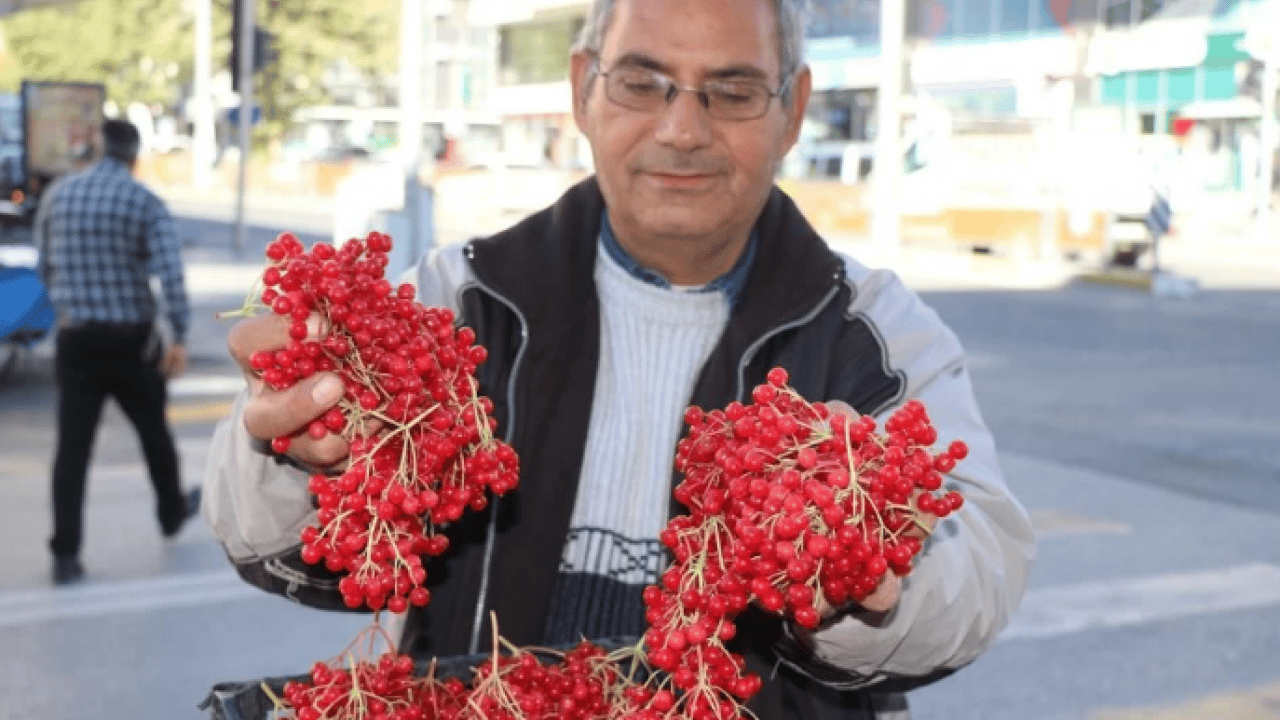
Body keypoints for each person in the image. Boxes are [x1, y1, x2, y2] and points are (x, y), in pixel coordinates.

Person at [204, 0, 1036, 716]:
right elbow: (276, 546)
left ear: (794, 110)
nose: (682, 128)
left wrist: (869, 574)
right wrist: (291, 447)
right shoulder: (456, 302)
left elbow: (980, 566)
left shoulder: (876, 334)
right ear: (582, 89)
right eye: (643, 82)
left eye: (734, 90)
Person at [35, 118, 200, 586]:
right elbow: (170, 277)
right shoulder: (144, 201)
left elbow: (45, 267)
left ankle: (65, 554)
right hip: (131, 342)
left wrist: (71, 305)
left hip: (77, 339)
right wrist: (180, 336)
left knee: (72, 448)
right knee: (154, 433)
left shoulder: (58, 196)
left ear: (96, 148)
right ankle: (170, 512)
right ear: (134, 156)